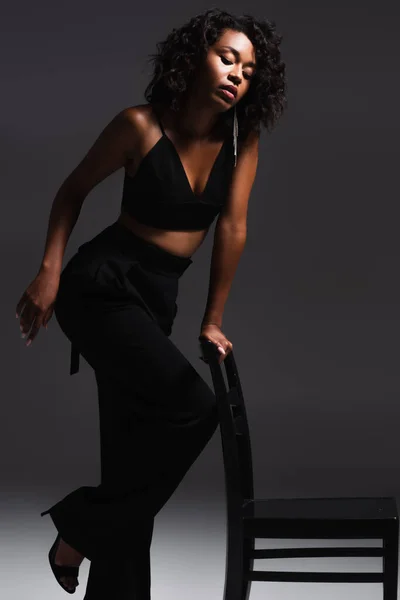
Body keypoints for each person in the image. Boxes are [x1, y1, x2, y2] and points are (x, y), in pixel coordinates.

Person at [15, 7, 286, 599]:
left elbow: (232, 229)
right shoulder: (139, 126)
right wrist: (48, 273)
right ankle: (81, 524)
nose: (237, 73)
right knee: (194, 408)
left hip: (156, 298)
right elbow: (73, 190)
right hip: (101, 288)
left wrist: (212, 318)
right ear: (195, 59)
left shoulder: (243, 141)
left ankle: (105, 571)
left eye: (248, 68)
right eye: (226, 57)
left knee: (131, 457)